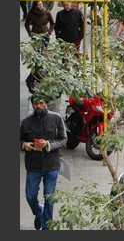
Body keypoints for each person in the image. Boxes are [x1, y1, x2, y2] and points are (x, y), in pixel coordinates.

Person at [21, 94, 68, 230]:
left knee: (49, 198)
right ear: (32, 105)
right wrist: (25, 145)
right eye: (36, 104)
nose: (39, 106)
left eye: (41, 103)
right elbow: (20, 140)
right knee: (30, 196)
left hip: (51, 166)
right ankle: (39, 213)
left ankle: (47, 228)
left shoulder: (56, 118)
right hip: (33, 166)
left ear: (46, 103)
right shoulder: (26, 122)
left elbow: (64, 140)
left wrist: (47, 144)